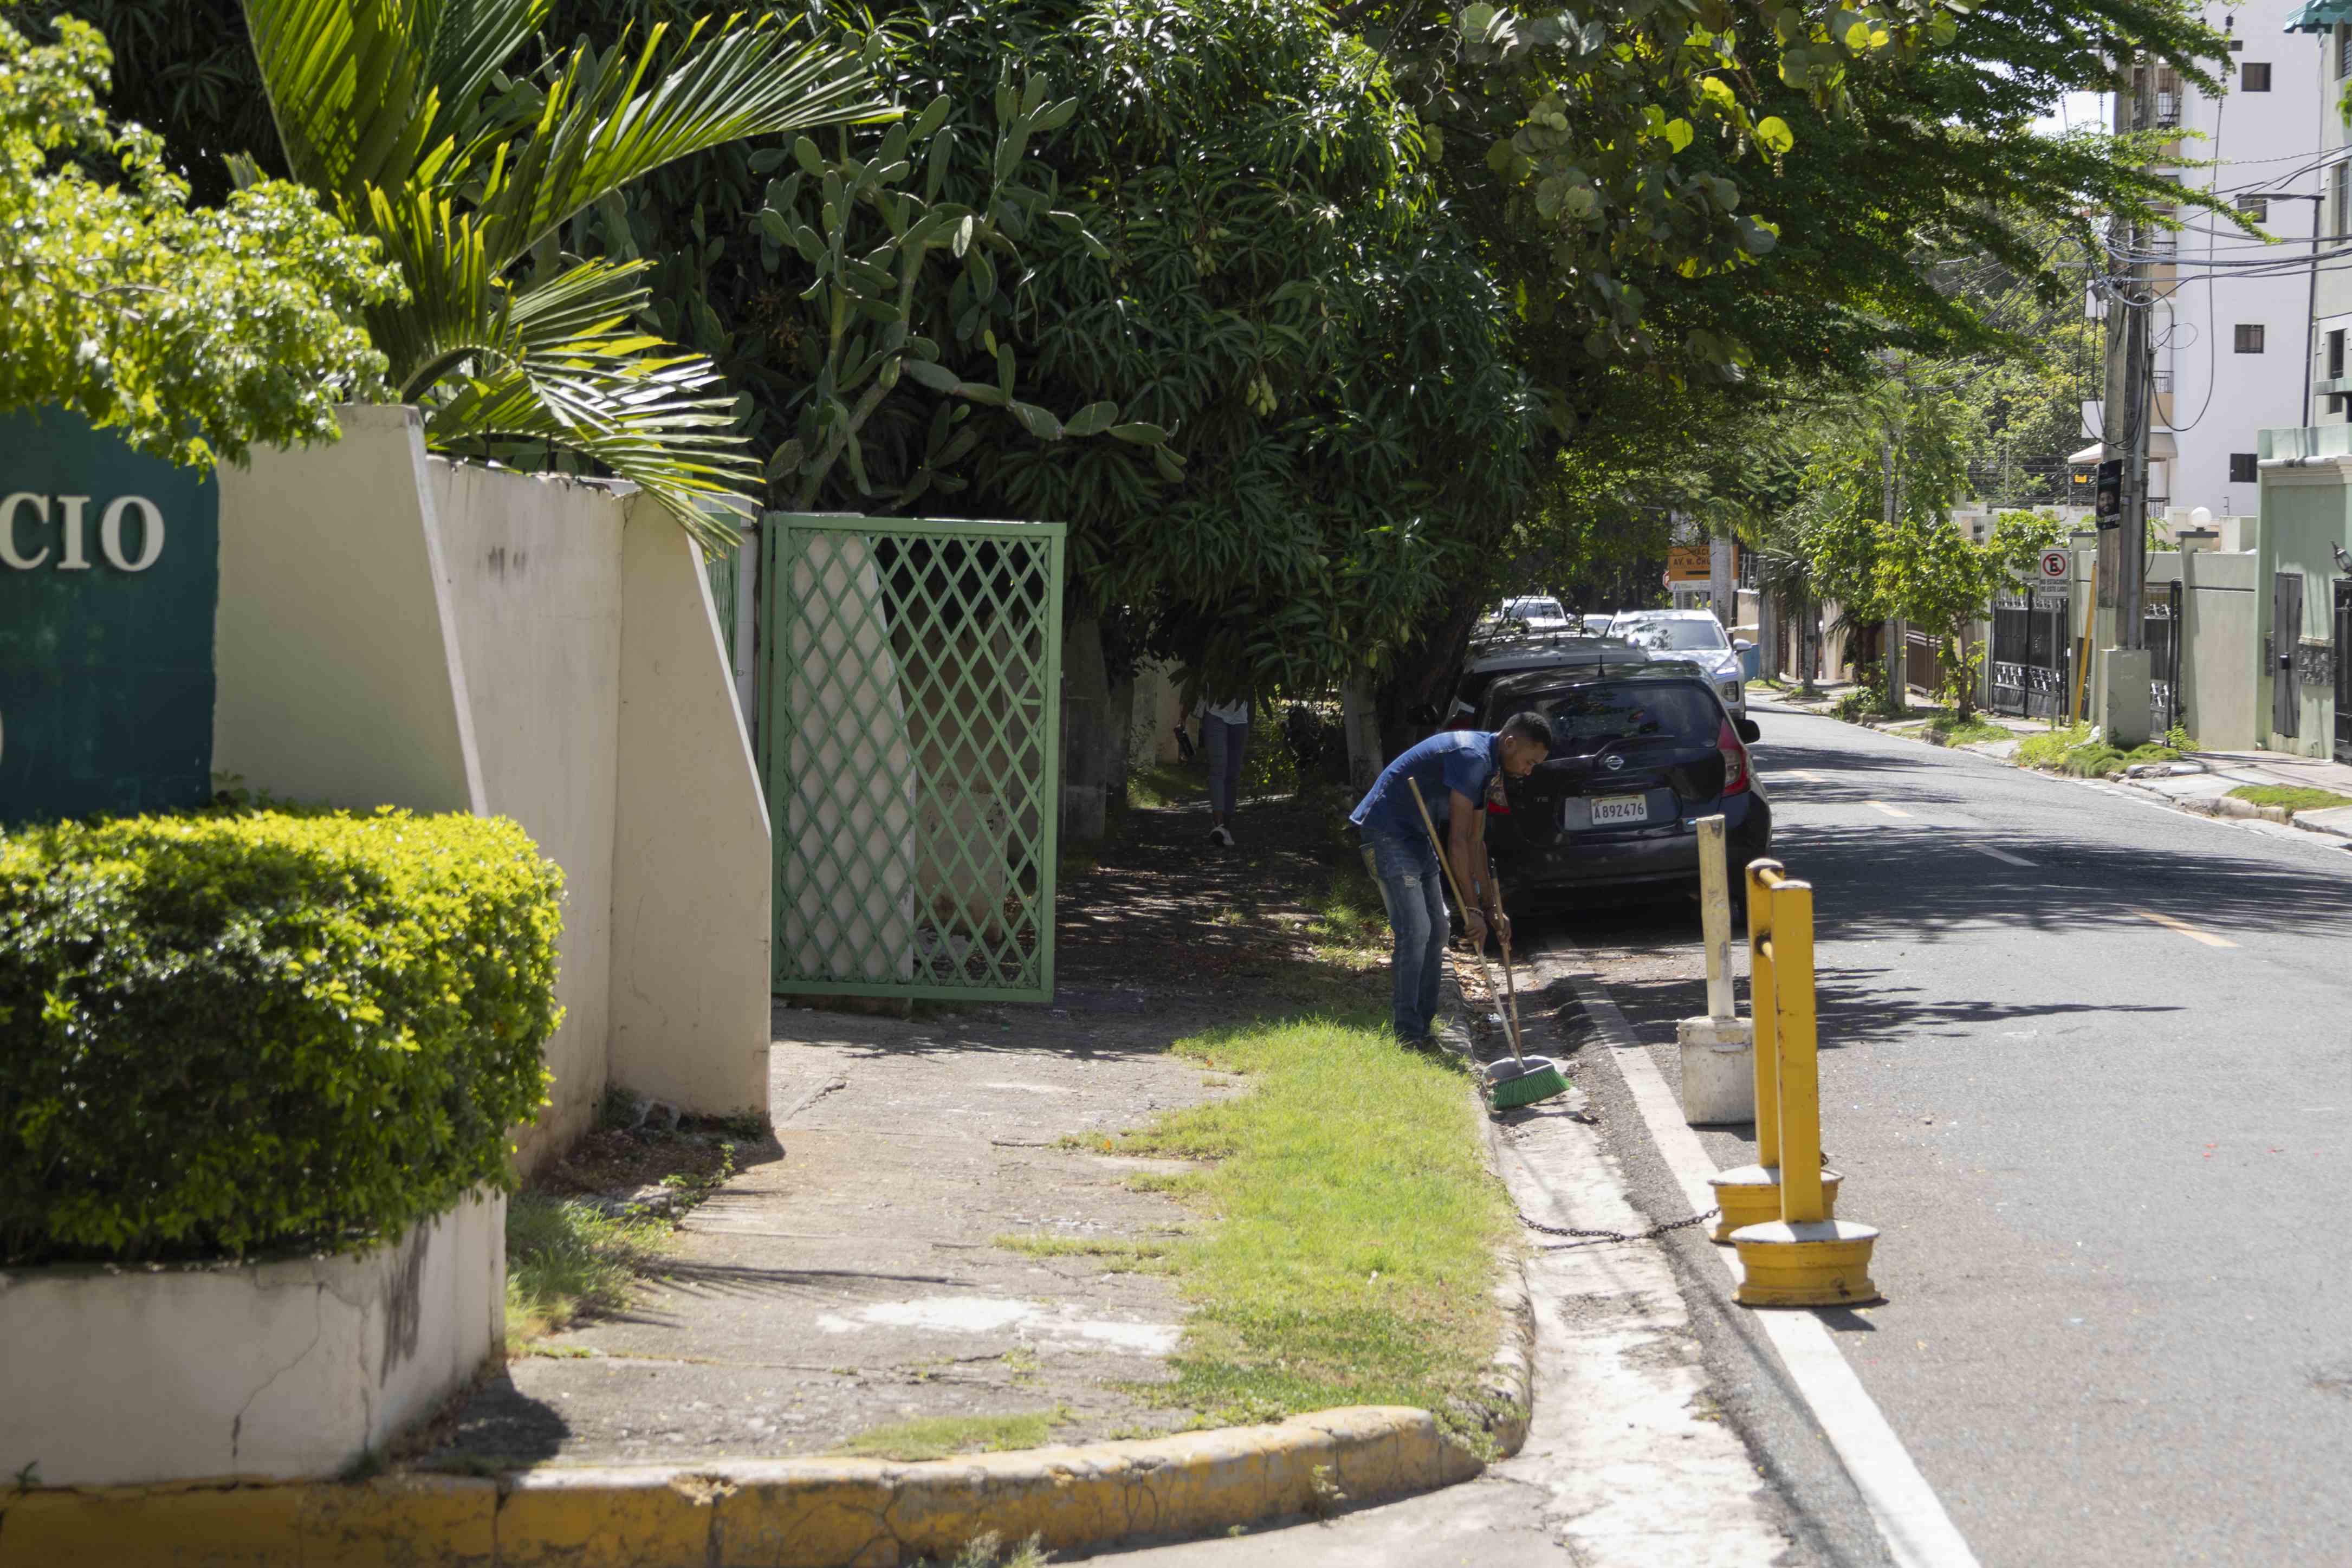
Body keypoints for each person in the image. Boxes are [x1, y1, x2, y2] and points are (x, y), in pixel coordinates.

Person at [1349, 713, 1552, 1045]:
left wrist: (1491, 908)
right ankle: (1408, 1031)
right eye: (1530, 762)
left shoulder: (1490, 766)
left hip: (1416, 834)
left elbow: (1476, 842)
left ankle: (1424, 1026)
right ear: (1510, 743)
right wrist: (1471, 911)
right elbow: (1457, 840)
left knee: (1439, 930)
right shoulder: (1471, 758)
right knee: (1416, 930)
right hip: (1386, 831)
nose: (1529, 771)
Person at [1197, 695, 1251, 846]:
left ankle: (1226, 827)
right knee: (1218, 768)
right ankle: (1218, 826)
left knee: (1233, 774)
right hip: (1215, 713)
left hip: (1240, 718)